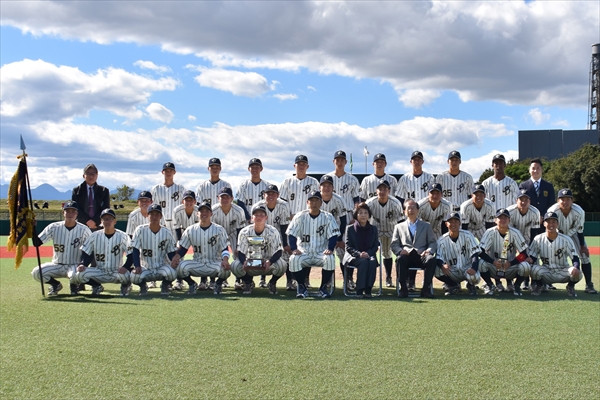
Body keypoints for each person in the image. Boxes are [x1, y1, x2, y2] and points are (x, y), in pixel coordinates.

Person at [286, 191, 340, 299]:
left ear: (321, 203)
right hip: (304, 252)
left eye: (316, 200)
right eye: (311, 200)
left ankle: (323, 288)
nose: (314, 203)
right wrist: (294, 249)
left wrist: (330, 249)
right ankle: (302, 287)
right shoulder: (300, 216)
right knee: (293, 259)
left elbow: (333, 235)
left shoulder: (328, 217)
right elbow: (291, 234)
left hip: (321, 252)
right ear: (307, 202)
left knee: (330, 258)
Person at [31, 201, 92, 296]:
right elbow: (37, 243)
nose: (70, 214)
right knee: (36, 273)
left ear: (77, 213)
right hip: (56, 265)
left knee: (76, 275)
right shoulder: (53, 227)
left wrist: (83, 264)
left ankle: (74, 286)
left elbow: (90, 249)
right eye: (68, 211)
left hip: (74, 265)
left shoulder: (84, 229)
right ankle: (55, 285)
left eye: (73, 211)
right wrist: (33, 228)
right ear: (63, 212)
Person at [171, 202, 231, 295]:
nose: (204, 213)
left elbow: (225, 248)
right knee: (179, 267)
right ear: (197, 213)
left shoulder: (219, 229)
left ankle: (218, 284)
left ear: (211, 214)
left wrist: (225, 260)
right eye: (201, 211)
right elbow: (183, 248)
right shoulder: (190, 230)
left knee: (226, 270)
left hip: (213, 263)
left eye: (207, 211)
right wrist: (176, 257)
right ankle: (192, 284)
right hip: (197, 263)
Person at [71, 209, 132, 296]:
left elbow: (131, 254)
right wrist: (83, 264)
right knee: (78, 274)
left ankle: (125, 286)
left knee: (128, 275)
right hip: (99, 271)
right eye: (104, 219)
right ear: (101, 222)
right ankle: (96, 286)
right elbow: (86, 252)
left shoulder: (123, 236)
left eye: (109, 219)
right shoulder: (94, 235)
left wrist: (125, 267)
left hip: (116, 271)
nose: (107, 221)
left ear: (115, 221)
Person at [547, 189, 597, 294]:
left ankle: (589, 284)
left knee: (585, 256)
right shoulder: (552, 211)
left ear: (572, 201)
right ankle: (548, 282)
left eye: (568, 199)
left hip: (574, 233)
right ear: (558, 201)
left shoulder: (579, 211)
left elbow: (580, 229)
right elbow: (549, 228)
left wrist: (582, 245)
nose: (565, 202)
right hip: (557, 234)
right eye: (562, 199)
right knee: (550, 256)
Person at [231, 205, 286, 295]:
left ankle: (272, 282)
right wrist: (244, 262)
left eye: (261, 215)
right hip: (251, 263)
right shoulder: (244, 231)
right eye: (256, 215)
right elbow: (241, 251)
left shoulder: (273, 231)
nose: (259, 217)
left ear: (266, 218)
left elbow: (279, 251)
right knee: (235, 265)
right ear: (252, 218)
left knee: (282, 264)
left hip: (267, 263)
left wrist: (270, 262)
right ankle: (248, 282)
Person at [528, 212, 583, 297]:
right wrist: (526, 260)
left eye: (554, 222)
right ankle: (540, 285)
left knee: (578, 273)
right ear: (544, 224)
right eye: (548, 222)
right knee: (534, 269)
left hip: (563, 270)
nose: (551, 224)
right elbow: (533, 256)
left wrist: (576, 267)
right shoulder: (538, 239)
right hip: (546, 271)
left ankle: (570, 286)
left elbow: (574, 257)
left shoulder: (566, 239)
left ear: (557, 224)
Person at [477, 209, 531, 296]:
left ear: (509, 220)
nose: (503, 220)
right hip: (494, 267)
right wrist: (493, 262)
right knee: (481, 263)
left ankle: (516, 285)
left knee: (526, 266)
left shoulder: (516, 233)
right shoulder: (489, 232)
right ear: (495, 220)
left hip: (510, 267)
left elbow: (524, 254)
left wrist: (511, 263)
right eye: (500, 218)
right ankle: (490, 285)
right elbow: (480, 252)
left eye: (505, 218)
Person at [391, 199, 437, 298]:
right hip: (406, 256)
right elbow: (394, 244)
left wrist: (428, 251)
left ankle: (426, 288)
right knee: (400, 259)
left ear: (418, 210)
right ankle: (403, 288)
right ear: (404, 211)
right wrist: (400, 251)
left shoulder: (426, 226)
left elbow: (432, 242)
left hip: (421, 255)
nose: (411, 210)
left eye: (413, 208)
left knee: (431, 259)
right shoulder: (398, 227)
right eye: (408, 208)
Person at [327, 150, 361, 287]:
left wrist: (355, 217)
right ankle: (328, 280)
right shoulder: (327, 178)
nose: (340, 162)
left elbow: (357, 200)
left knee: (345, 250)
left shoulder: (352, 179)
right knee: (327, 249)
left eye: (342, 160)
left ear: (346, 162)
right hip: (329, 216)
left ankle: (348, 279)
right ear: (333, 161)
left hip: (347, 216)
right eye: (337, 160)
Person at [130, 204, 178, 296]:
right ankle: (143, 286)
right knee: (134, 276)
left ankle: (165, 285)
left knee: (173, 273)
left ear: (161, 216)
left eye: (157, 214)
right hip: (145, 267)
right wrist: (137, 265)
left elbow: (171, 252)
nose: (154, 217)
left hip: (161, 267)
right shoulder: (140, 230)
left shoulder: (167, 232)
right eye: (152, 214)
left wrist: (174, 260)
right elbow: (135, 250)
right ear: (147, 216)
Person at [365, 179, 404, 288]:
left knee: (387, 254)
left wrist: (401, 238)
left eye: (385, 189)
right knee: (370, 253)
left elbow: (401, 222)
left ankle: (388, 277)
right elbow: (364, 219)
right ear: (376, 191)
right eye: (380, 189)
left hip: (391, 230)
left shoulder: (395, 203)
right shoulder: (370, 203)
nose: (382, 191)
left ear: (389, 191)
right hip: (375, 230)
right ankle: (370, 278)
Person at [254, 184, 294, 290]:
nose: (271, 196)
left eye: (273, 194)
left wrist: (285, 244)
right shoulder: (258, 206)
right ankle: (262, 279)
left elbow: (284, 225)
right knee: (259, 256)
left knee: (286, 257)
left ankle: (289, 281)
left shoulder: (284, 205)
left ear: (278, 195)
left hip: (279, 234)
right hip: (261, 234)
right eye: (268, 194)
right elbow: (255, 225)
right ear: (264, 195)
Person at [434, 212, 481, 296]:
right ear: (446, 224)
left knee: (474, 277)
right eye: (450, 222)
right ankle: (453, 285)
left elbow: (475, 253)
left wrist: (474, 268)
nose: (453, 224)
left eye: (456, 221)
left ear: (460, 223)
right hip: (452, 270)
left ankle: (470, 285)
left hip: (467, 268)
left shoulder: (468, 235)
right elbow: (438, 257)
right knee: (436, 270)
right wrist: (442, 265)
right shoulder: (441, 240)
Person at [209, 187, 246, 289]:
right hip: (218, 235)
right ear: (218, 198)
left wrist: (238, 246)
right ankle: (215, 281)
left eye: (227, 197)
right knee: (215, 256)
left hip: (233, 233)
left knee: (238, 255)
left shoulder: (239, 210)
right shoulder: (213, 210)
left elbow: (240, 230)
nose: (225, 199)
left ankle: (238, 280)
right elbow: (211, 229)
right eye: (222, 197)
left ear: (232, 198)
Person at [343, 203, 379, 298]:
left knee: (372, 261)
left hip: (369, 255)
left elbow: (375, 246)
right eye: (360, 213)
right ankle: (359, 290)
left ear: (369, 215)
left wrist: (368, 253)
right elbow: (348, 247)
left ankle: (368, 290)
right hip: (353, 256)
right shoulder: (350, 229)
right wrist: (359, 254)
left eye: (366, 213)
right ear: (356, 215)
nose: (363, 215)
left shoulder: (374, 229)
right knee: (363, 262)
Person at [507, 190, 541, 291]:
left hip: (528, 235)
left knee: (532, 256)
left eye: (526, 200)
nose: (523, 202)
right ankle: (509, 282)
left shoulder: (535, 212)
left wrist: (530, 250)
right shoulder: (510, 211)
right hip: (511, 236)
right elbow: (508, 231)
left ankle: (533, 282)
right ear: (516, 200)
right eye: (521, 199)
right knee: (509, 256)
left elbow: (534, 232)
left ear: (530, 201)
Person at [319, 175, 348, 288]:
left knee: (343, 254)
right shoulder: (315, 199)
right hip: (320, 233)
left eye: (329, 186)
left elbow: (343, 220)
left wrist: (339, 239)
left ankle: (347, 280)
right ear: (320, 187)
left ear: (333, 187)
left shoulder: (339, 199)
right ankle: (326, 280)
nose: (326, 188)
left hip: (337, 231)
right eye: (324, 186)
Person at [171, 190, 199, 291]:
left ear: (195, 201)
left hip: (197, 234)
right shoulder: (177, 211)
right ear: (183, 201)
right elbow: (176, 228)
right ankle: (179, 280)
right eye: (186, 200)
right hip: (182, 233)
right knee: (179, 254)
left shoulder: (199, 210)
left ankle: (204, 280)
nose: (189, 202)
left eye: (191, 200)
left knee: (202, 253)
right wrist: (180, 241)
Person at [71, 164, 110, 231]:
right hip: (81, 226)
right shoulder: (77, 190)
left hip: (99, 226)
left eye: (93, 174)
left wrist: (95, 221)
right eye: (88, 173)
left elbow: (105, 208)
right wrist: (87, 221)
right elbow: (76, 208)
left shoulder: (103, 191)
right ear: (83, 176)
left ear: (97, 175)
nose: (91, 176)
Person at [150, 162, 186, 235]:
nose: (168, 173)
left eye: (171, 170)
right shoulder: (156, 189)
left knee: (177, 242)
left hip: (177, 223)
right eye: (166, 171)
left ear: (174, 172)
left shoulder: (181, 188)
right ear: (162, 172)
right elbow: (151, 207)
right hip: (161, 222)